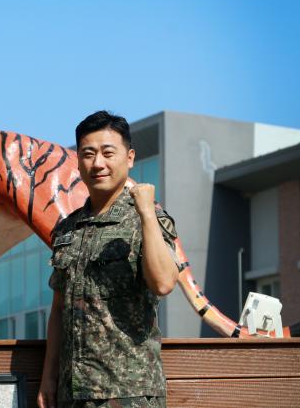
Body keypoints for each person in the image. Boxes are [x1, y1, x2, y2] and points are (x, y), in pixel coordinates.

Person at [38, 111, 180, 408]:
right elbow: (58, 310)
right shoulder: (67, 229)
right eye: (88, 154)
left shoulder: (148, 219)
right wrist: (48, 377)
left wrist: (146, 212)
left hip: (129, 393)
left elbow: (164, 283)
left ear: (129, 158)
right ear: (78, 161)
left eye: (107, 153)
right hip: (72, 394)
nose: (97, 163)